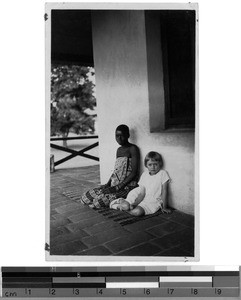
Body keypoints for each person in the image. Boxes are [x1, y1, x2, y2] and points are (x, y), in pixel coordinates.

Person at [81, 124, 140, 209]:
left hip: (127, 186)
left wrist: (119, 186)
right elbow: (116, 171)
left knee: (97, 202)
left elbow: (134, 172)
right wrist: (108, 184)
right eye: (117, 136)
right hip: (115, 184)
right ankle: (114, 199)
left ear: (128, 135)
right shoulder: (119, 150)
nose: (119, 138)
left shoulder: (132, 148)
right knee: (85, 197)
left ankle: (120, 201)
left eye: (122, 135)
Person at [110, 151, 171, 216]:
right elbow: (142, 193)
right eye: (150, 165)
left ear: (160, 164)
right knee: (128, 206)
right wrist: (135, 204)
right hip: (141, 198)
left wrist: (164, 207)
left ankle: (124, 207)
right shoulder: (145, 174)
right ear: (146, 165)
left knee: (137, 212)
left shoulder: (162, 173)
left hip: (153, 202)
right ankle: (119, 204)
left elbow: (165, 191)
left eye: (155, 164)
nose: (153, 167)